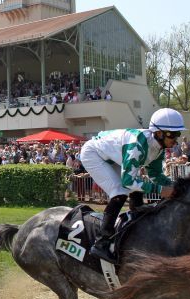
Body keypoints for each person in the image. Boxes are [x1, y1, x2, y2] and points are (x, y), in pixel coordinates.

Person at [79, 108, 184, 263]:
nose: (176, 140)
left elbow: (155, 175)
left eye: (178, 134)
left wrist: (175, 186)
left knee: (135, 183)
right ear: (159, 133)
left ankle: (137, 223)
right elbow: (128, 182)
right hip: (93, 154)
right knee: (120, 191)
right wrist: (161, 190)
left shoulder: (159, 148)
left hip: (112, 157)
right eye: (173, 135)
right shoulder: (137, 145)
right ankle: (101, 242)